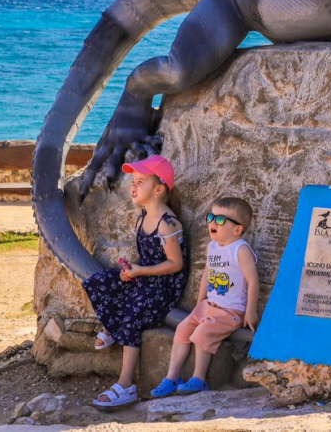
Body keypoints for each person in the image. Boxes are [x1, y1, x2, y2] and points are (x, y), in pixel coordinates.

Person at [82, 155, 189, 409]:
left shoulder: (168, 224)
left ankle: (126, 384)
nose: (133, 186)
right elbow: (144, 256)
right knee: (100, 281)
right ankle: (111, 326)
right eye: (133, 181)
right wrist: (131, 269)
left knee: (134, 313)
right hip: (147, 276)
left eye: (140, 181)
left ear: (159, 189)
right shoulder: (143, 217)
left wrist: (141, 272)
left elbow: (176, 264)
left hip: (164, 286)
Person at [152, 197, 260, 397]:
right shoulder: (213, 247)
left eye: (220, 220)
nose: (212, 223)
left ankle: (199, 379)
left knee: (203, 332)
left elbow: (253, 281)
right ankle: (172, 376)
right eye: (211, 217)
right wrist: (199, 303)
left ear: (237, 229)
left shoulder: (240, 249)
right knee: (183, 328)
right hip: (209, 305)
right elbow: (206, 276)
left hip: (230, 311)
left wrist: (251, 311)